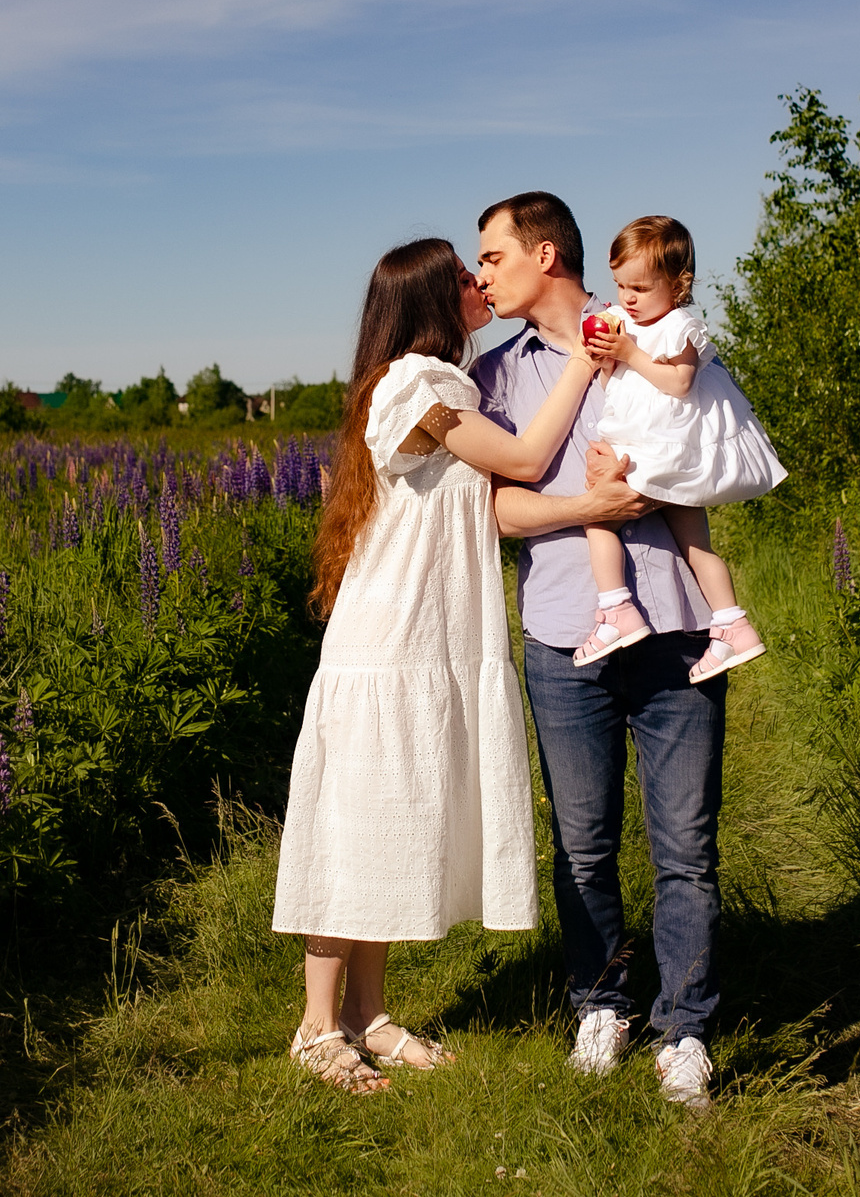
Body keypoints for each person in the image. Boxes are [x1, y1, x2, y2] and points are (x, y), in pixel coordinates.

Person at [271, 235, 597, 1094]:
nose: (478, 280)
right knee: (354, 828)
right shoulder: (414, 386)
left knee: (389, 826)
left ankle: (369, 1016)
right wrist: (587, 363)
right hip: (388, 644)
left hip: (427, 640)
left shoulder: (446, 383)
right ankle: (315, 1026)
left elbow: (488, 509)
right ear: (428, 299)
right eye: (462, 274)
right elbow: (523, 462)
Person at [471, 191, 728, 1110]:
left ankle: (686, 1027)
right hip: (561, 631)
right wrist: (591, 509)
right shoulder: (496, 375)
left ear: (545, 253)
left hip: (675, 622)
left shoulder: (653, 327)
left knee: (685, 847)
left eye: (492, 256)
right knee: (583, 846)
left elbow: (712, 446)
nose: (481, 274)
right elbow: (498, 509)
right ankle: (603, 1003)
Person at [574, 214, 787, 681]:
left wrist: (630, 353)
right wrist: (609, 361)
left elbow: (679, 383)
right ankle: (733, 624)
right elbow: (621, 387)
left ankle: (616, 611)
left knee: (596, 514)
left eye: (641, 288)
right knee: (695, 543)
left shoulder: (679, 325)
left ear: (678, 284)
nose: (628, 298)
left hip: (661, 447)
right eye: (620, 285)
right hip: (655, 444)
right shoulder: (629, 323)